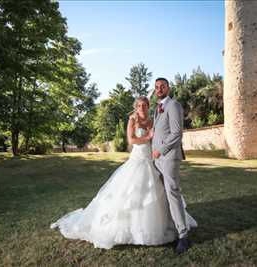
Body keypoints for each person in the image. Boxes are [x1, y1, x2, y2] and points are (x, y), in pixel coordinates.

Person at [50, 96, 197, 251]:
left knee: (159, 191)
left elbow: (161, 136)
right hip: (138, 158)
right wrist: (148, 136)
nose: (142, 107)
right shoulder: (132, 120)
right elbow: (131, 140)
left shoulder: (153, 119)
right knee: (133, 192)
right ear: (136, 107)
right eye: (139, 105)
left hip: (152, 159)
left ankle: (171, 224)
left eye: (145, 105)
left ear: (148, 106)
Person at [152, 77, 191, 254]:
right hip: (156, 160)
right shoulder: (157, 108)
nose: (159, 89)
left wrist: (160, 150)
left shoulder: (173, 105)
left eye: (162, 86)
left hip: (168, 157)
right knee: (163, 195)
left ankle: (183, 236)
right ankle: (171, 229)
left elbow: (177, 133)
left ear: (168, 88)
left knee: (173, 193)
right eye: (157, 87)